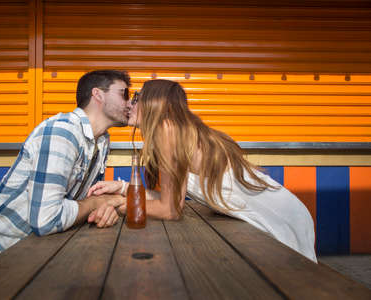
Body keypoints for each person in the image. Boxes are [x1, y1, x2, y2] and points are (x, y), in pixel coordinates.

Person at [87, 79, 317, 263]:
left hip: (274, 212)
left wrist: (119, 205)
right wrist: (123, 189)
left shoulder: (168, 131)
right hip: (272, 209)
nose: (130, 104)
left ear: (156, 103)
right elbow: (171, 199)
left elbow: (170, 210)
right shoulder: (174, 130)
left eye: (137, 98)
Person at [0, 70, 131, 283]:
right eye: (124, 93)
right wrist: (98, 202)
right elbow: (47, 219)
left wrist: (103, 208)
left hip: (30, 247)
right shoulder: (63, 132)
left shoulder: (101, 141)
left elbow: (85, 202)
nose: (130, 103)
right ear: (98, 94)